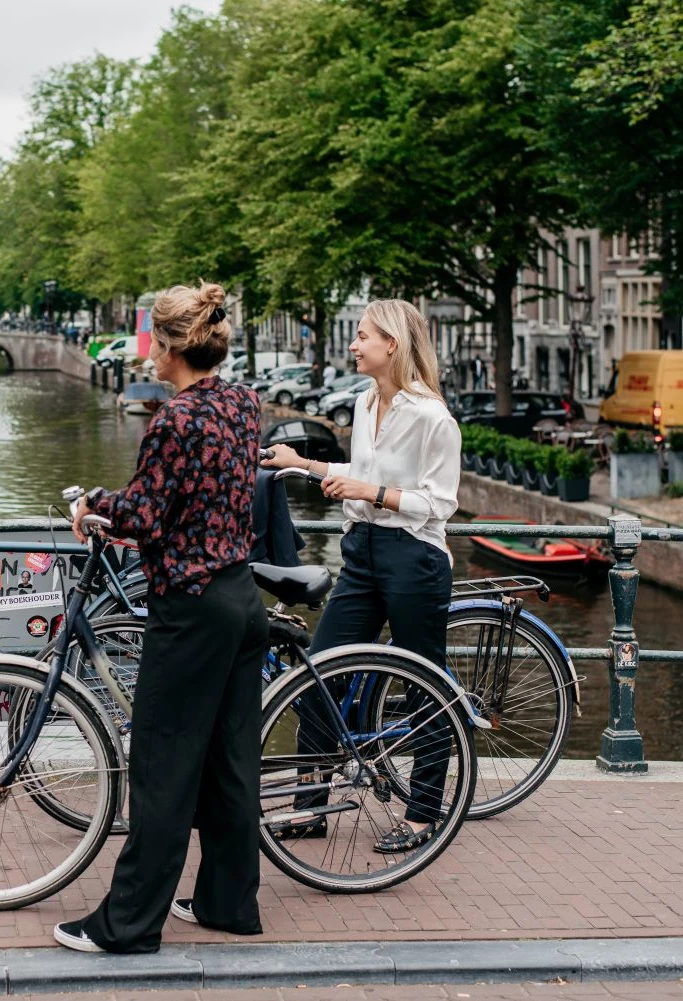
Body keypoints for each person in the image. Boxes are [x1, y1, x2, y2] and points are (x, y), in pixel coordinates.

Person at [56, 282, 269, 955]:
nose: (145, 350)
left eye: (150, 337)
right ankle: (229, 902)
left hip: (193, 608)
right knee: (230, 762)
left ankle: (128, 924)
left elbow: (143, 514)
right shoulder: (242, 402)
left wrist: (90, 501)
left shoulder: (174, 421)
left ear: (171, 345)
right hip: (242, 596)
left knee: (161, 764)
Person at [262, 298, 460, 853]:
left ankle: (424, 816)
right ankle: (311, 808)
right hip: (362, 553)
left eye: (362, 335)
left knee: (426, 687)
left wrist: (369, 493)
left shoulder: (432, 418)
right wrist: (302, 463)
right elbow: (362, 474)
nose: (354, 344)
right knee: (319, 676)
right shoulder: (364, 401)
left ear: (392, 345)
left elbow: (439, 503)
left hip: (413, 559)